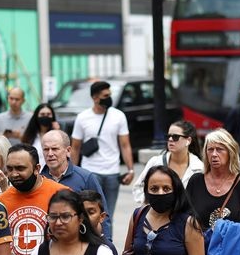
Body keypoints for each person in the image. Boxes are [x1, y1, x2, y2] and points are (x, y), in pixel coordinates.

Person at [0, 144, 67, 255]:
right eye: (10, 168)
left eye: (20, 168)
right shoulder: (1, 202)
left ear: (37, 168)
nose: (14, 174)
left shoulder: (62, 195)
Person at [70, 81, 135, 240]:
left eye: (110, 95)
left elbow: (125, 145)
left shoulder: (118, 116)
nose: (109, 98)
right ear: (95, 97)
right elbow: (75, 147)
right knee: (89, 212)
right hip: (90, 172)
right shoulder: (83, 118)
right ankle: (89, 242)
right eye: (105, 96)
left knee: (107, 214)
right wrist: (71, 171)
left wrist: (131, 169)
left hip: (112, 173)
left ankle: (107, 246)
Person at [40, 130, 109, 239]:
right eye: (46, 149)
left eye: (55, 149)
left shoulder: (86, 178)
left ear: (68, 150)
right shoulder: (38, 180)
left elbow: (103, 215)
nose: (50, 154)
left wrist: (106, 244)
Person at [132, 120, 204, 203]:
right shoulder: (155, 162)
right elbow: (138, 187)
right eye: (168, 136)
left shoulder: (199, 167)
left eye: (175, 137)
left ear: (188, 140)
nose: (170, 139)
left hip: (186, 215)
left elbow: (201, 197)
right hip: (158, 214)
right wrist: (151, 203)